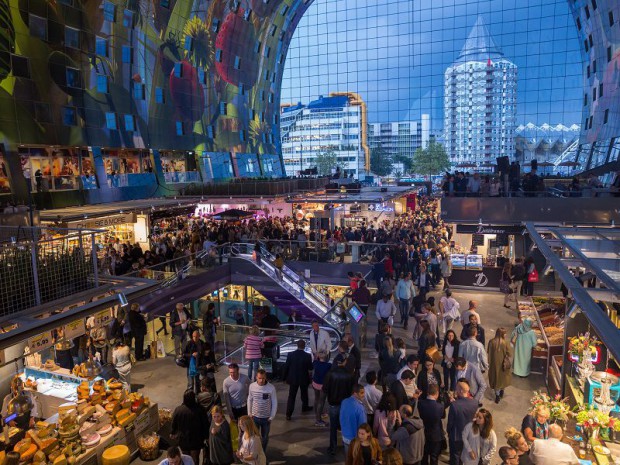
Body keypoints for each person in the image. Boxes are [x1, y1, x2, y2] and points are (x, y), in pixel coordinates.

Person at [323, 363, 356, 455]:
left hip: (333, 404)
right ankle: (347, 445)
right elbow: (353, 391)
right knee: (346, 425)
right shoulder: (350, 375)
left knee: (333, 427)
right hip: (346, 405)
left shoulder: (330, 374)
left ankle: (333, 448)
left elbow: (325, 389)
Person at [171, 390, 209, 465]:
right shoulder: (200, 409)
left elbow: (173, 423)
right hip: (196, 440)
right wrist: (206, 436)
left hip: (183, 440)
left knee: (186, 459)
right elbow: (205, 424)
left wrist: (172, 432)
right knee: (195, 460)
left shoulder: (178, 410)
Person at [447, 380, 479, 465]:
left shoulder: (454, 405)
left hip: (456, 436)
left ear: (461, 390)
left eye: (457, 388)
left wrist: (448, 432)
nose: (455, 390)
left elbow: (450, 423)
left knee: (455, 457)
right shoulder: (475, 403)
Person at [282, 339, 313, 420]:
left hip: (293, 378)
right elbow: (310, 367)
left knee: (291, 396)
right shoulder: (307, 356)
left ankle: (288, 414)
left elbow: (286, 367)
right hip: (304, 378)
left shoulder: (290, 354)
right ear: (304, 346)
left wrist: (284, 378)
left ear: (297, 345)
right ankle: (305, 407)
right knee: (304, 394)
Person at [247, 369, 277, 451]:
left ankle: (262, 453)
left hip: (266, 418)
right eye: (259, 378)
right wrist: (249, 412)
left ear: (265, 377)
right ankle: (255, 453)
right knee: (254, 437)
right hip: (254, 417)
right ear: (256, 377)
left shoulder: (271, 388)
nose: (261, 380)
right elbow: (250, 398)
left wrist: (271, 416)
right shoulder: (252, 386)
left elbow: (274, 402)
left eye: (263, 378)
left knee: (265, 437)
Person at [418, 384, 445, 465]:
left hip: (423, 433)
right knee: (434, 457)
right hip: (436, 435)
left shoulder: (420, 403)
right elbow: (443, 416)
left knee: (424, 455)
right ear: (437, 393)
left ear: (427, 392)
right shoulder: (440, 406)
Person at [340, 384, 367, 456]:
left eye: (364, 392)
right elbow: (363, 426)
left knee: (348, 457)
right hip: (355, 438)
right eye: (361, 393)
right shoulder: (360, 408)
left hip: (345, 435)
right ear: (355, 393)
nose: (364, 395)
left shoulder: (344, 401)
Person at [487, 328, 512, 403]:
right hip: (503, 365)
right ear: (502, 334)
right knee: (502, 380)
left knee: (495, 380)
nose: (506, 335)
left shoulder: (491, 342)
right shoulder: (505, 342)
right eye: (505, 333)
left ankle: (497, 395)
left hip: (493, 365)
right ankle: (502, 391)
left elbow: (489, 352)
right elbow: (510, 354)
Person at [312, 351, 332, 427]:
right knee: (321, 401)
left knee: (316, 399)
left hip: (315, 383)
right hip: (322, 385)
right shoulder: (328, 365)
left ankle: (317, 413)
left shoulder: (315, 363)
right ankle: (318, 420)